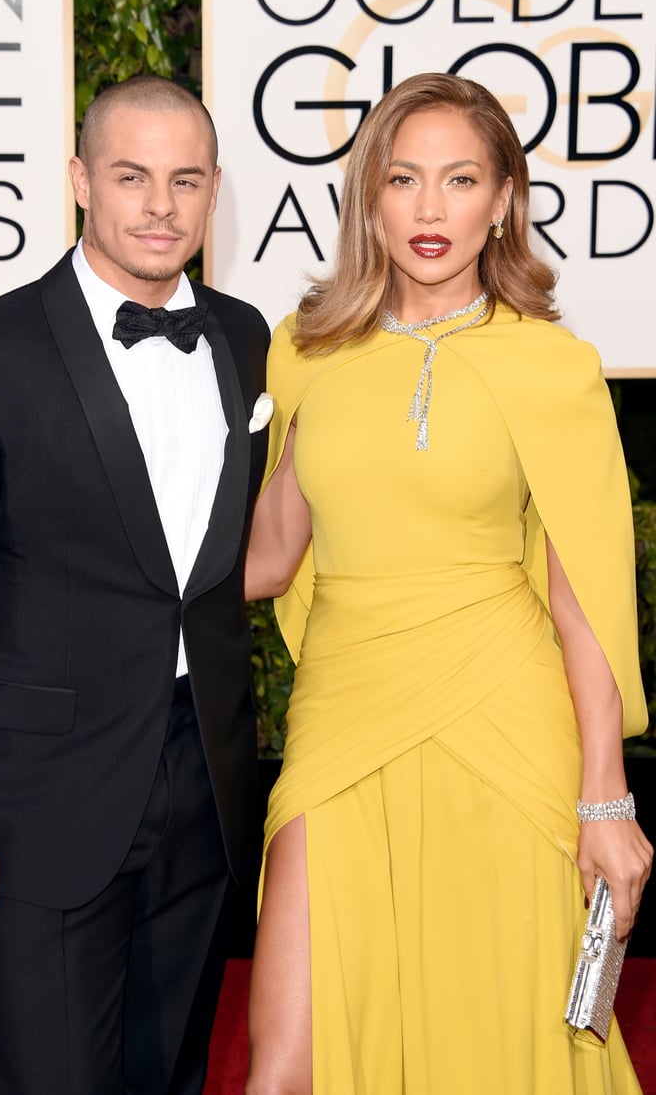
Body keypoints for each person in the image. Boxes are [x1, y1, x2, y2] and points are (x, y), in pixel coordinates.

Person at [243, 72, 652, 1094]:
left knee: (501, 1044)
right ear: (368, 198)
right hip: (345, 710)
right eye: (403, 179)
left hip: (505, 710)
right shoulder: (303, 354)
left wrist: (606, 796)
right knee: (285, 1062)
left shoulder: (552, 366)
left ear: (505, 196)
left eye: (460, 179)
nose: (430, 210)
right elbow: (265, 556)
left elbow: (584, 591)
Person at [0, 74, 270, 1095]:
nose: (159, 204)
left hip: (203, 782)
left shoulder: (245, 337)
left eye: (185, 179)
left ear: (216, 188)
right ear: (80, 180)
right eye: (132, 175)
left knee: (170, 1072)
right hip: (37, 800)